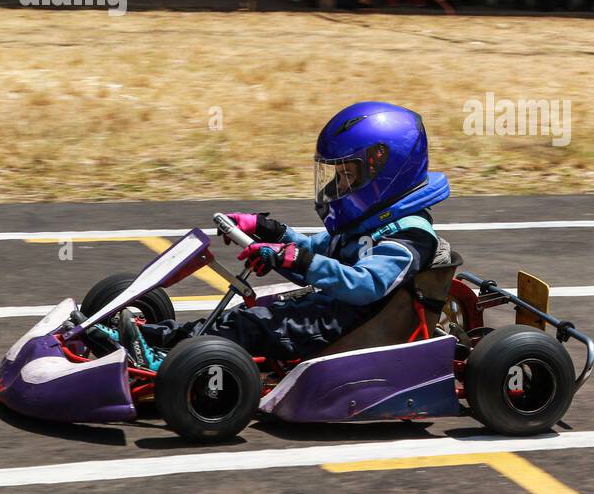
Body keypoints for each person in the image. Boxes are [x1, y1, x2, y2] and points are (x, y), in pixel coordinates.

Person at [120, 102, 451, 366]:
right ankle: (150, 336)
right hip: (324, 315)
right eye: (337, 174)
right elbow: (315, 248)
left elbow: (365, 285)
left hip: (343, 329)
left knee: (250, 326)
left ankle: (166, 364)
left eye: (347, 176)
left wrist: (303, 261)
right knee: (243, 318)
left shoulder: (411, 236)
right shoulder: (371, 224)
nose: (338, 186)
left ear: (385, 175)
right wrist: (270, 233)